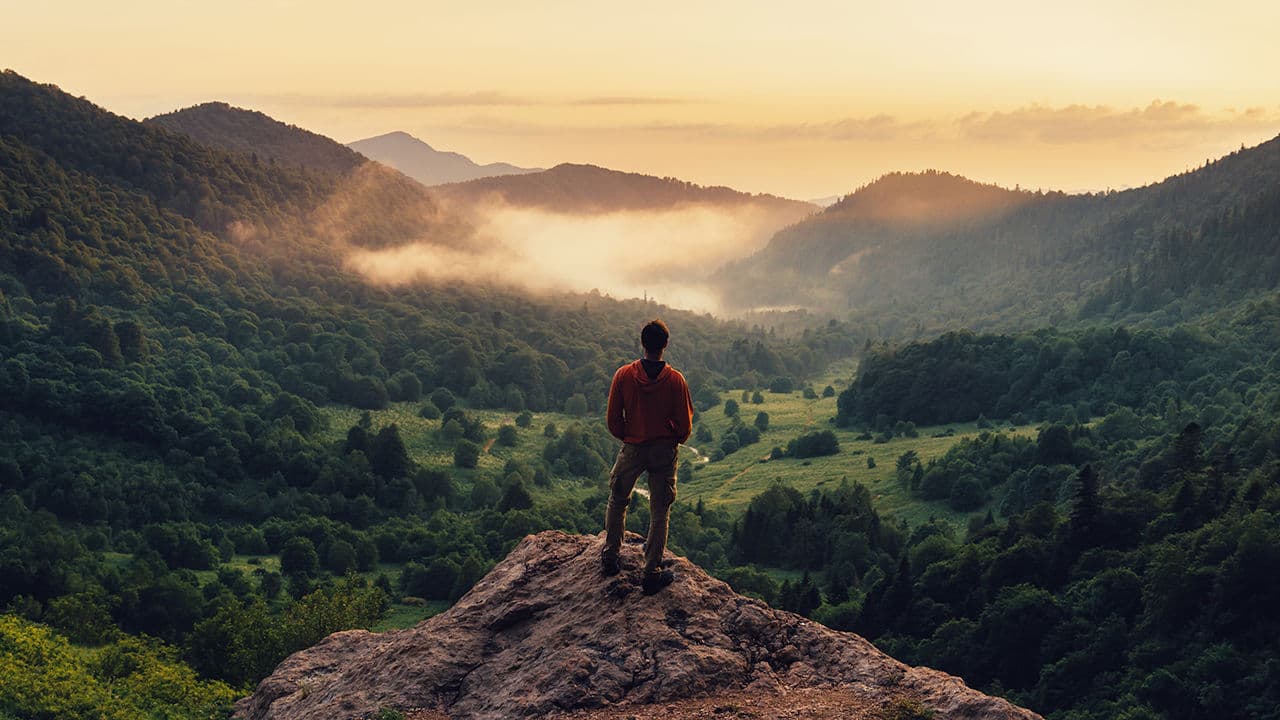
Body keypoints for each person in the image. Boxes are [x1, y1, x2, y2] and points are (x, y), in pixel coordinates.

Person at [601, 318, 694, 594]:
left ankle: (610, 557)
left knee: (617, 500)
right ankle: (651, 571)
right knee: (660, 510)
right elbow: (685, 426)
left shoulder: (624, 376)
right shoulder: (675, 381)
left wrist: (630, 437)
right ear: (665, 345)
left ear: (642, 343)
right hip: (664, 450)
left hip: (632, 447)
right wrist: (671, 438)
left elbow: (613, 420)